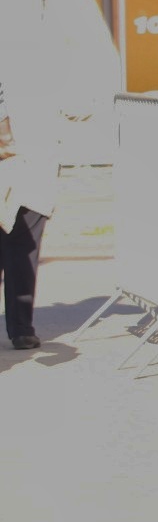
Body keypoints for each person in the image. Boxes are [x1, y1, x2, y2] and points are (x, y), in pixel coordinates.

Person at [0, 78, 55, 351]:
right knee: (22, 244)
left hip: (24, 159)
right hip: (24, 163)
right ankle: (21, 329)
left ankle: (22, 329)